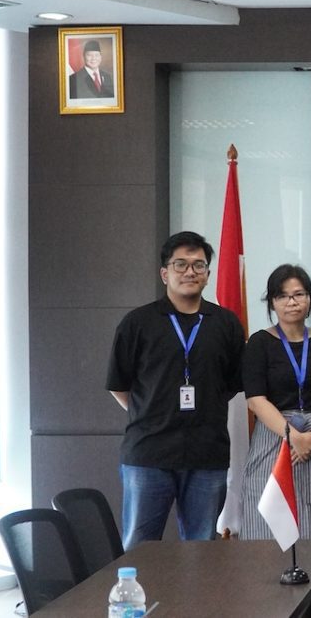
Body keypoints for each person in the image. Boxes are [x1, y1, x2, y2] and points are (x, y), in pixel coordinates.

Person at [106, 231, 245, 549]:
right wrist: (150, 413)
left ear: (207, 274)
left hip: (207, 454)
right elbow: (119, 385)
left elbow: (231, 384)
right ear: (165, 273)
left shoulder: (226, 324)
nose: (190, 272)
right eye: (180, 264)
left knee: (201, 550)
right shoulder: (137, 323)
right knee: (139, 548)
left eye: (198, 265)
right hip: (149, 453)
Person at [240, 264, 311, 540]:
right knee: (269, 518)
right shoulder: (259, 343)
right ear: (272, 302)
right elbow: (256, 400)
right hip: (274, 438)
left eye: (298, 294)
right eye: (282, 296)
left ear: (310, 299)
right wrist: (293, 436)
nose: (291, 302)